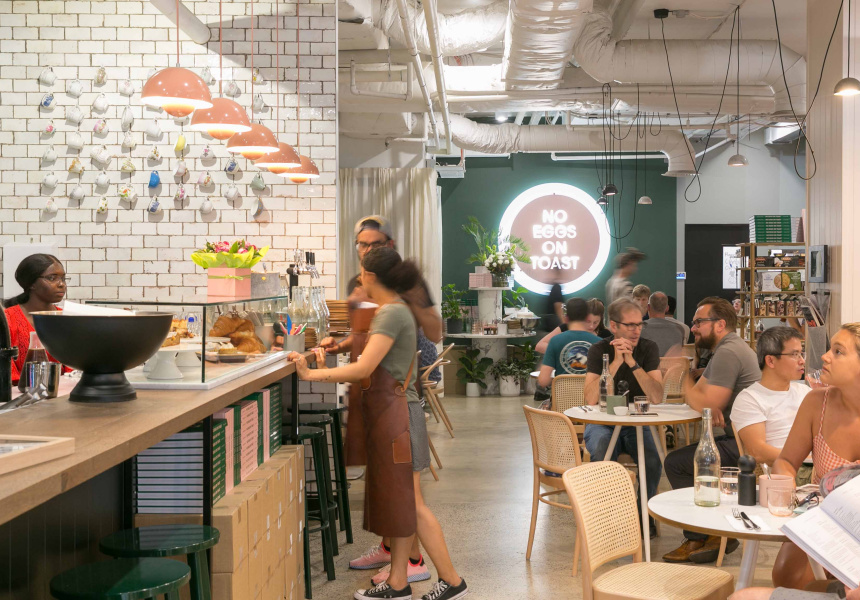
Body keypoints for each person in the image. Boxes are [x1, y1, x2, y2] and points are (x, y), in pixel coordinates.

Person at [289, 247, 467, 600]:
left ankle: (452, 580)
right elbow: (372, 353)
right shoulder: (394, 310)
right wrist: (337, 349)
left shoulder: (391, 313)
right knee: (403, 505)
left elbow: (364, 368)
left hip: (400, 418)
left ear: (370, 276)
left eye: (361, 273)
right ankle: (398, 583)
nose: (359, 280)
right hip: (400, 415)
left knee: (412, 505)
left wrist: (311, 374)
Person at [319, 215, 441, 583]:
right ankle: (392, 551)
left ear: (389, 245)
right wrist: (340, 344)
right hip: (371, 392)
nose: (367, 249)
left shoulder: (403, 286)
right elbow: (366, 335)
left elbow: (433, 332)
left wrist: (406, 304)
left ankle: (415, 563)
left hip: (396, 391)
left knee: (405, 492)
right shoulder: (360, 283)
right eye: (363, 243)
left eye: (375, 244)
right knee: (387, 483)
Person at [662, 297, 760, 564]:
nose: (693, 328)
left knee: (676, 463)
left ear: (720, 324)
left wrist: (680, 374)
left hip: (746, 447)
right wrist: (701, 398)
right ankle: (710, 533)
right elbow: (701, 397)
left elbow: (705, 402)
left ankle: (704, 535)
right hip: (739, 439)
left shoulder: (729, 352)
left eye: (698, 322)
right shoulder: (727, 349)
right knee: (688, 459)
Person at [769, 323, 860, 590]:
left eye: (838, 351)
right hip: (824, 517)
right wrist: (788, 494)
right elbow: (786, 461)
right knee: (787, 577)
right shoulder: (816, 402)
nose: (824, 356)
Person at [584, 298, 664, 536]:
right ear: (613, 325)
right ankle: (607, 517)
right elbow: (590, 398)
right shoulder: (598, 350)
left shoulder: (648, 348)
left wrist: (632, 362)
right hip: (603, 421)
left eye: (639, 324)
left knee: (652, 459)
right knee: (602, 449)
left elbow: (656, 396)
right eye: (630, 325)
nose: (636, 330)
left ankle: (643, 515)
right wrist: (616, 362)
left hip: (636, 422)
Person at [731, 327, 810, 470]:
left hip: (818, 467)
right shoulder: (749, 399)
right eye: (795, 354)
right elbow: (758, 452)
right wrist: (807, 460)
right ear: (771, 361)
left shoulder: (805, 392)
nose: (802, 361)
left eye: (801, 353)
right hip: (787, 471)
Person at [3, 254, 70, 385]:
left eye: (63, 278)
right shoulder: (7, 319)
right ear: (31, 283)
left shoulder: (66, 318)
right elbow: (7, 373)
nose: (62, 284)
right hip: (19, 394)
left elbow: (74, 368)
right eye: (52, 278)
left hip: (63, 391)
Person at [537, 298, 601, 389]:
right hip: (591, 397)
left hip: (561, 397)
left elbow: (543, 381)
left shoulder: (555, 341)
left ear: (566, 318)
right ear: (587, 318)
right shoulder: (600, 342)